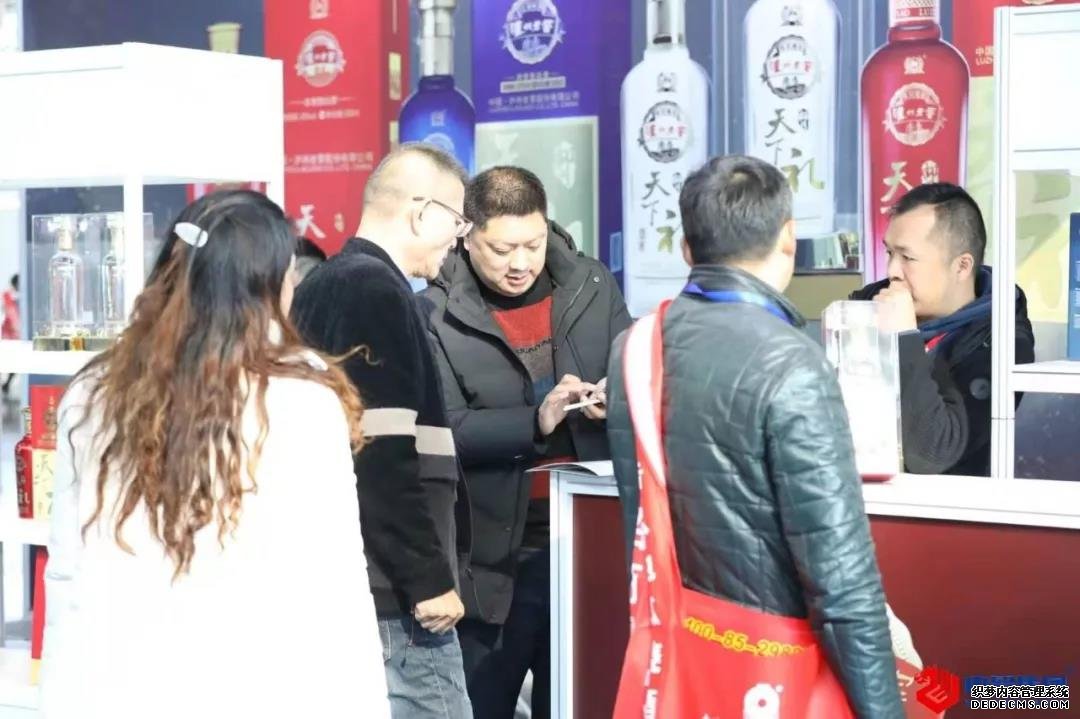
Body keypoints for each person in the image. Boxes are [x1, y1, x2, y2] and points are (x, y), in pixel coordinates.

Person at [41, 190, 389, 718]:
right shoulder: (301, 400)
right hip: (254, 683)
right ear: (266, 286)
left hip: (119, 683)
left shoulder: (94, 393)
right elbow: (332, 582)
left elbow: (67, 569)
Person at [606, 155, 904, 717]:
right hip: (770, 668)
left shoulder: (635, 347)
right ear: (788, 237)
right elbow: (842, 584)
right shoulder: (793, 363)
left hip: (678, 655)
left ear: (686, 249)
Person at [422, 166, 631, 718]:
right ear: (467, 234)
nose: (520, 263)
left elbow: (636, 378)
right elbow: (446, 430)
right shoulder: (437, 312)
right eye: (502, 249)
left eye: (533, 245)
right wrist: (535, 421)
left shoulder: (591, 285)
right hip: (491, 557)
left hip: (588, 541)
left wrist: (617, 398)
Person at [290, 143, 473, 719]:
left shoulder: (322, 284)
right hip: (396, 597)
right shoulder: (376, 291)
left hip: (356, 574)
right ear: (421, 213)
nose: (459, 239)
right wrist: (427, 579)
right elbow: (380, 455)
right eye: (457, 221)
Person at [851, 182, 1035, 476]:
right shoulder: (866, 309)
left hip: (944, 504)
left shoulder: (1001, 342)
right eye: (889, 253)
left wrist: (904, 338)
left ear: (962, 266)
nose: (892, 271)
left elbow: (932, 453)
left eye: (907, 258)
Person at [2, 273, 19, 397]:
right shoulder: (5, 296)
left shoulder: (19, 298)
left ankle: (7, 384)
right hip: (6, 334)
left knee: (15, 362)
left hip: (15, 335)